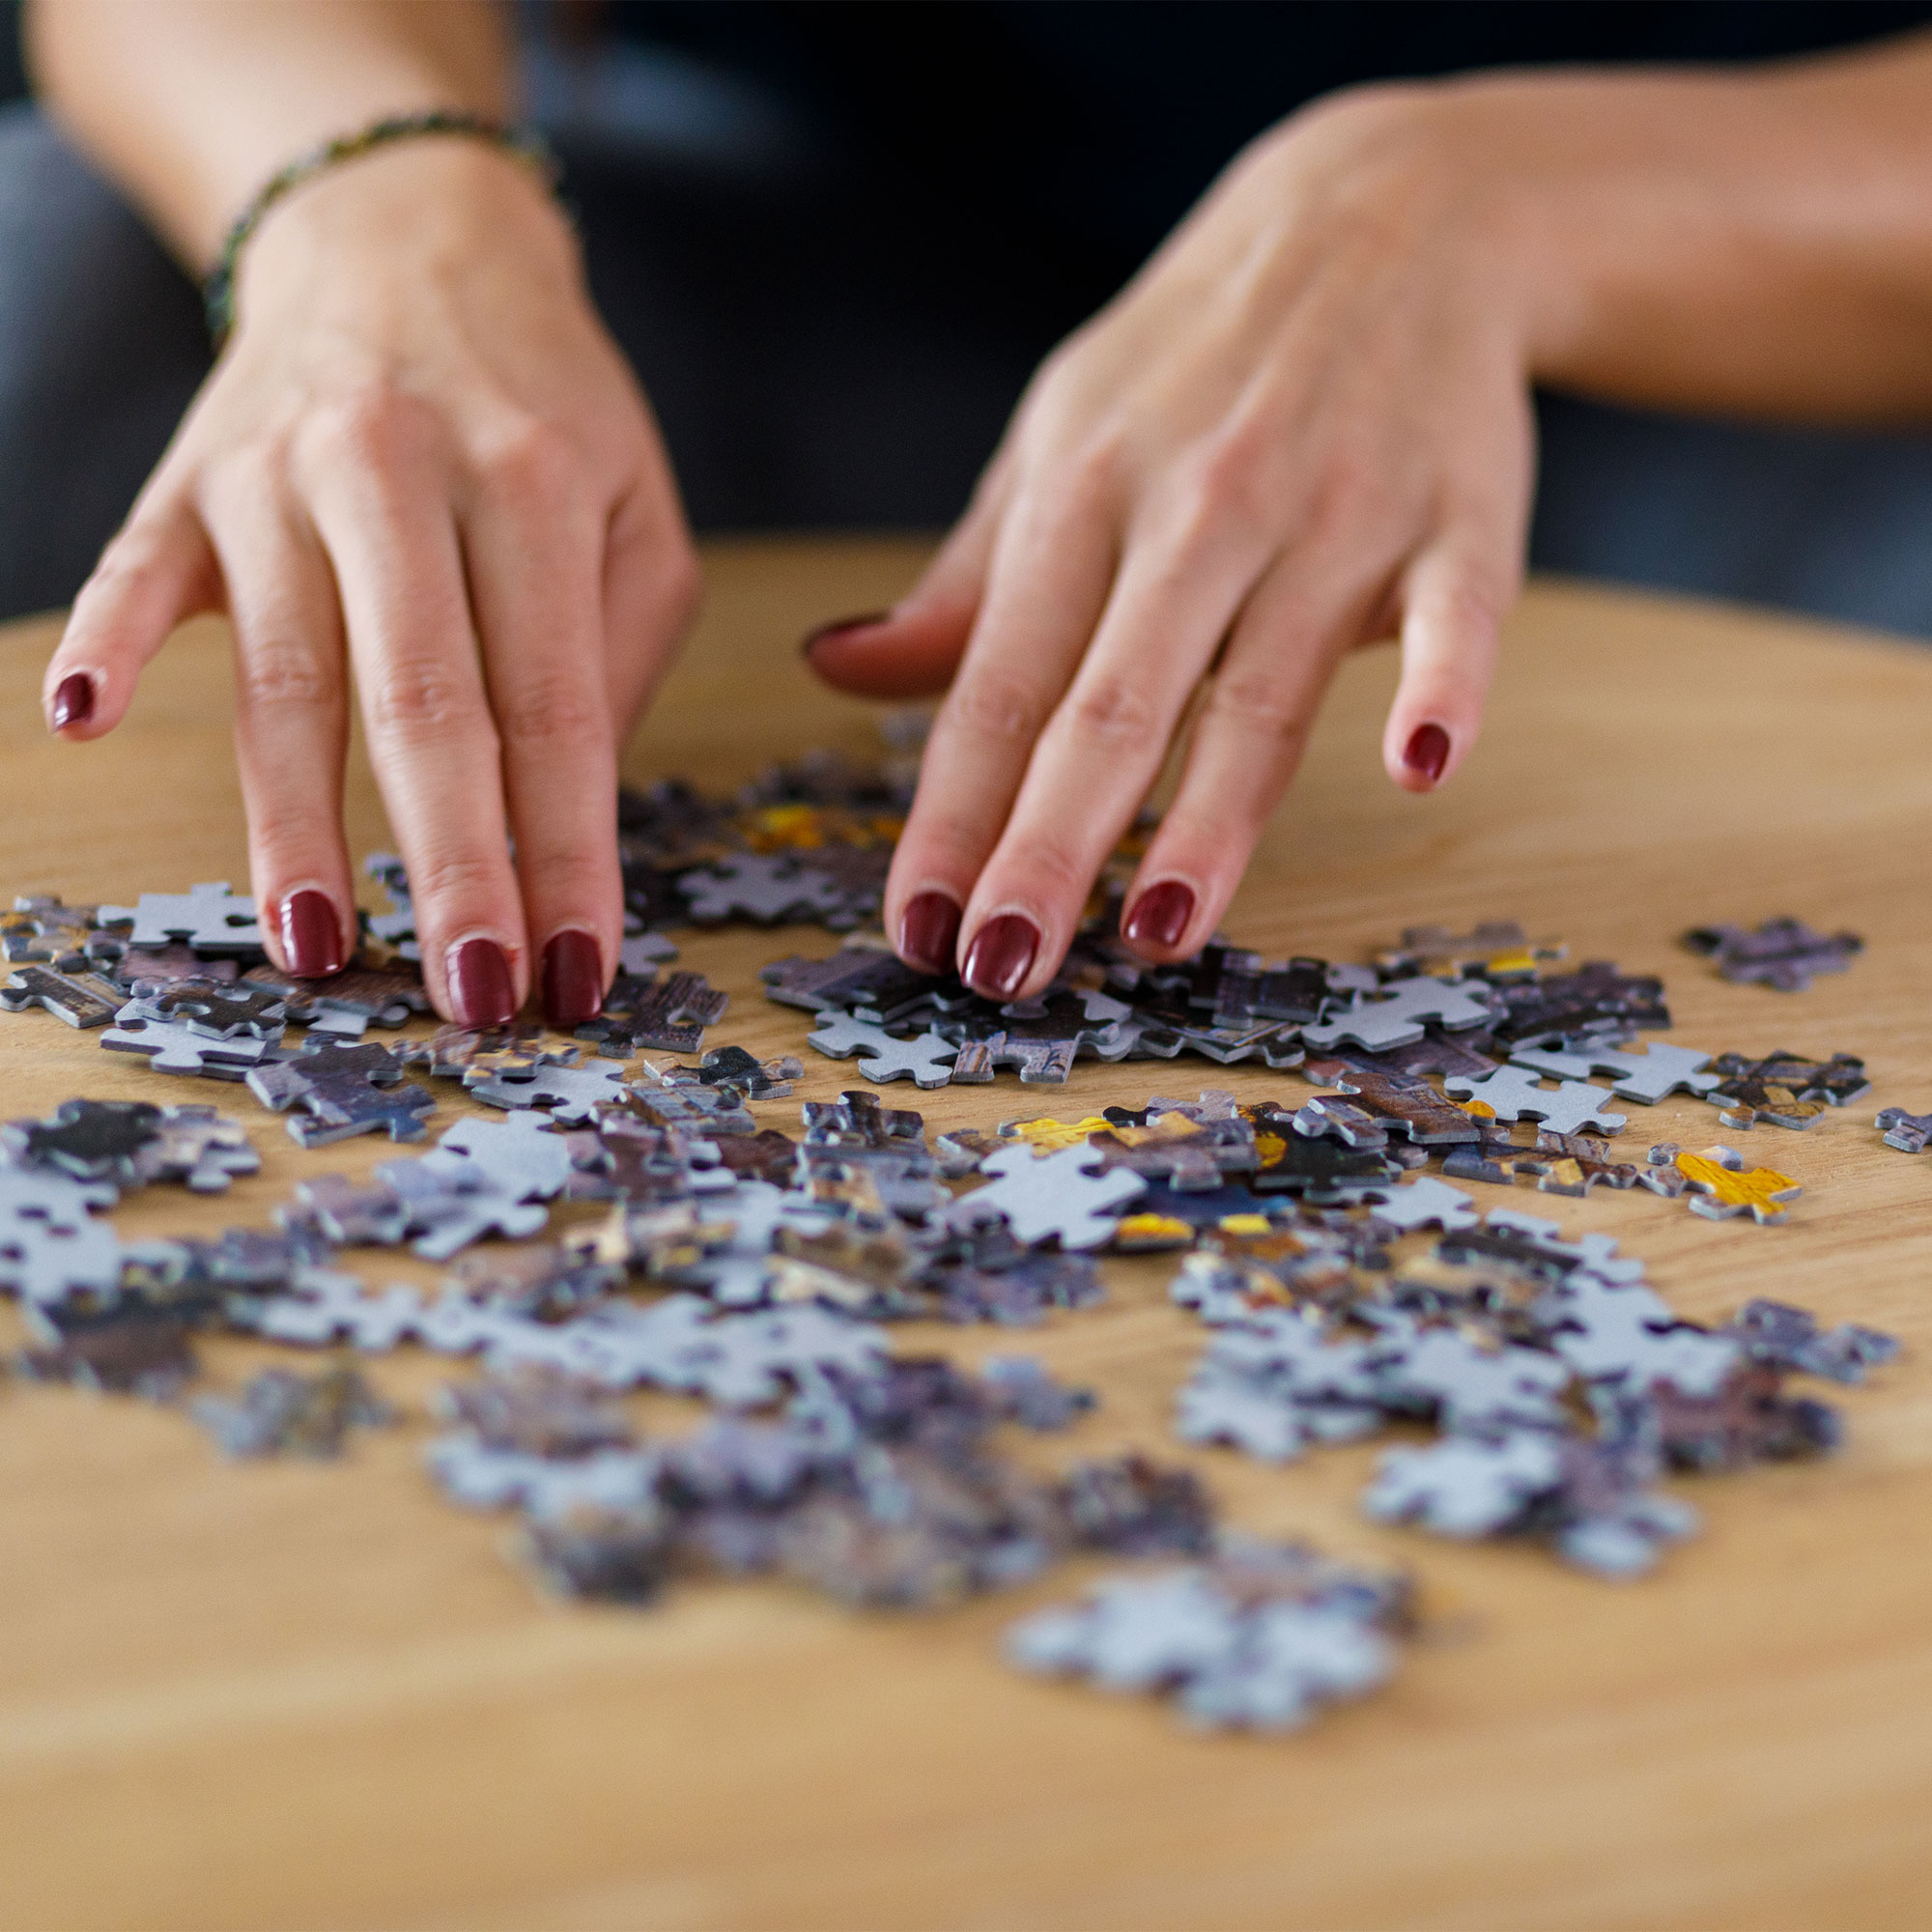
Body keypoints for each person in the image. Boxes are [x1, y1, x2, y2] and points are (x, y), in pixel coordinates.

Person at [17, 1, 1932, 1028]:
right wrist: (379, 198)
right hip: (809, 218)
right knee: (53, 281)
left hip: (1732, 302)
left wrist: (1476, 199)